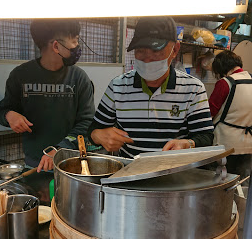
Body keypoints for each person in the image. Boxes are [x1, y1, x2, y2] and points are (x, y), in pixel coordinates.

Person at [88, 16, 214, 157]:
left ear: (174, 50)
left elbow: (206, 137)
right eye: (140, 51)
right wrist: (98, 135)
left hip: (174, 174)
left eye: (156, 52)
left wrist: (187, 144)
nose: (147, 59)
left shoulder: (193, 89)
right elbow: (93, 130)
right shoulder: (118, 86)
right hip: (129, 173)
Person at [0, 19, 95, 172]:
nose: (77, 46)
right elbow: (4, 110)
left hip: (70, 164)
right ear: (56, 46)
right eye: (74, 40)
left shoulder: (79, 78)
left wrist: (59, 149)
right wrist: (10, 115)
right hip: (34, 165)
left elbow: (87, 122)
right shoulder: (20, 75)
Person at [209, 50, 252, 178]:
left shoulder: (225, 83)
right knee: (243, 183)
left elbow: (209, 112)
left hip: (226, 144)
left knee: (222, 182)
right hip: (249, 144)